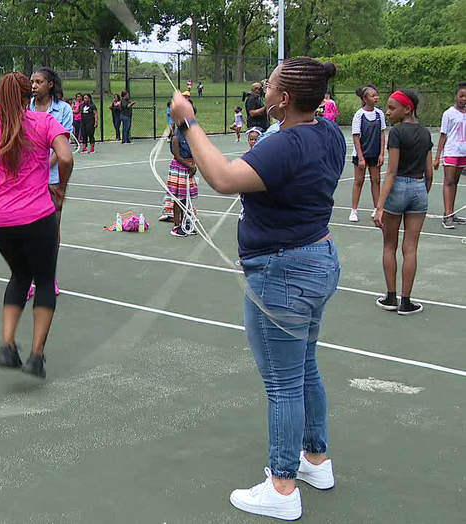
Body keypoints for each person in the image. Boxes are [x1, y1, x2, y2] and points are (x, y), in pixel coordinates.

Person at [172, 58, 343, 521]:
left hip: (283, 273)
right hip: (318, 261)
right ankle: (316, 460)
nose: (264, 89)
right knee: (305, 368)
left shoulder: (286, 144)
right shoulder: (328, 133)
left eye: (270, 85)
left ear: (283, 99)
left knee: (284, 382)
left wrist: (188, 121)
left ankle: (283, 487)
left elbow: (224, 179)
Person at [0, 72, 73, 379]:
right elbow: (65, 157)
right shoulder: (44, 123)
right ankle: (36, 355)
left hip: (0, 220)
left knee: (20, 276)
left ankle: (8, 344)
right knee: (45, 280)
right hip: (38, 216)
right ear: (29, 96)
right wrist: (61, 188)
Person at [373, 89, 433, 316]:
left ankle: (390, 297)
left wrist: (379, 206)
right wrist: (421, 192)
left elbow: (391, 172)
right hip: (419, 189)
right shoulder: (426, 133)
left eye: (392, 108)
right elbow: (429, 173)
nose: (388, 112)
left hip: (397, 189)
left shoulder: (397, 134)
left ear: (407, 109)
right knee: (411, 248)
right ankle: (406, 301)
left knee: (390, 245)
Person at [29, 67, 74, 297]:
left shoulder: (64, 110)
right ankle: (26, 278)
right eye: (32, 81)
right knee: (27, 230)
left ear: (50, 84)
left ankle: (47, 278)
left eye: (39, 81)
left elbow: (62, 145)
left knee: (51, 230)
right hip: (28, 180)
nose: (34, 85)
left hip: (53, 178)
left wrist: (45, 165)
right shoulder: (26, 108)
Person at [349, 85, 386, 223]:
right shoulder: (359, 115)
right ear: (365, 99)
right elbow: (356, 136)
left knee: (376, 181)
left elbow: (382, 134)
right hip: (361, 154)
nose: (376, 97)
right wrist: (361, 158)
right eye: (372, 95)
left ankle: (378, 208)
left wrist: (382, 154)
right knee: (359, 181)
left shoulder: (380, 114)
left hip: (375, 154)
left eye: (376, 95)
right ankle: (354, 210)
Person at [434, 82, 466, 229]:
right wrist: (437, 156)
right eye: (461, 96)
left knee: (455, 182)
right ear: (456, 97)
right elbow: (443, 135)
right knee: (448, 181)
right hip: (451, 152)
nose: (464, 99)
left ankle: (452, 213)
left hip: (463, 152)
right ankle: (447, 215)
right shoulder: (448, 114)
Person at [167, 124, 198, 237]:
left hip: (189, 167)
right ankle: (176, 225)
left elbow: (195, 151)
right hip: (180, 167)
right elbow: (177, 155)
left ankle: (185, 223)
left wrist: (194, 165)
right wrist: (190, 166)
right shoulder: (176, 137)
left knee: (187, 197)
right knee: (178, 197)